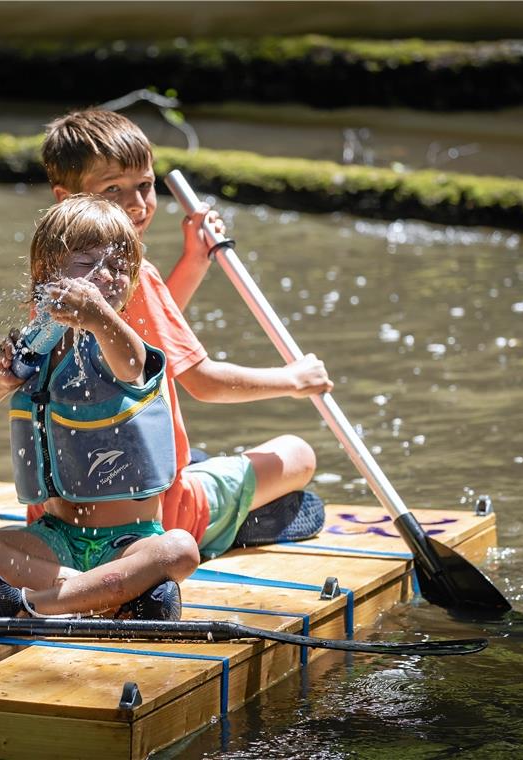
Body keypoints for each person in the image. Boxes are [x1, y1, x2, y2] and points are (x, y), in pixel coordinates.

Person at [35, 109, 335, 559]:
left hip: (54, 512)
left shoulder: (53, 275)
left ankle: (217, 494)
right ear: (66, 196)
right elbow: (202, 382)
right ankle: (225, 521)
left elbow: (148, 341)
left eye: (144, 185)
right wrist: (294, 379)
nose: (137, 204)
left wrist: (195, 259)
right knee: (298, 454)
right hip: (161, 516)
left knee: (193, 456)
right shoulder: (133, 276)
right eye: (113, 188)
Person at [0, 194, 200, 619]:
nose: (107, 275)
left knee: (180, 550)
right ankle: (98, 593)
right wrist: (0, 380)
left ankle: (33, 602)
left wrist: (98, 316)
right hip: (55, 540)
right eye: (87, 263)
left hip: (129, 541)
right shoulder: (31, 351)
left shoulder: (118, 341)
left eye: (119, 267)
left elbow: (132, 364)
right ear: (47, 274)